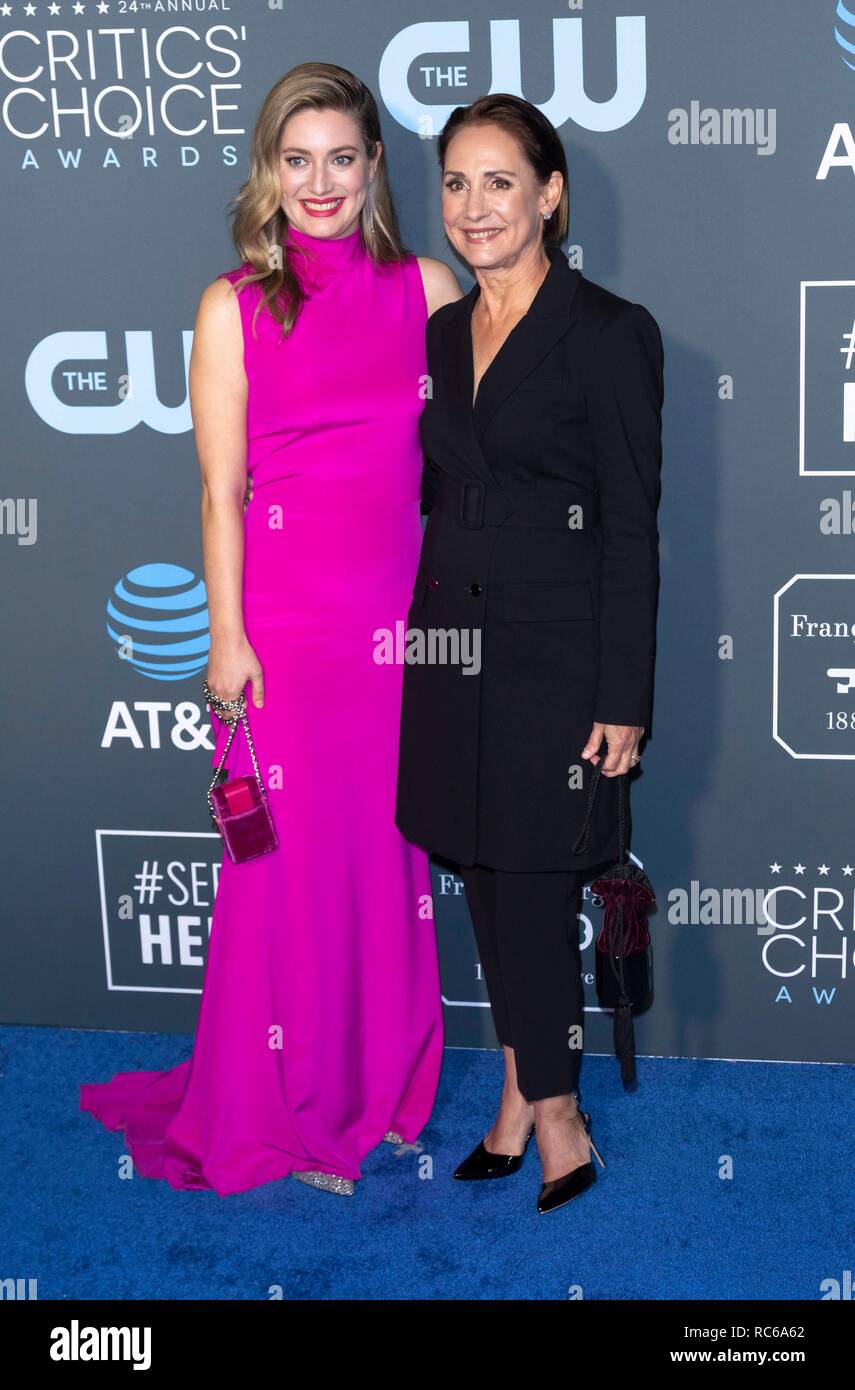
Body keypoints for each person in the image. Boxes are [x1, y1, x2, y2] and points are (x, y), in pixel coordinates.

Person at [80, 62, 461, 1198]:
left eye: (343, 157)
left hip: (402, 634)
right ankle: (289, 1114)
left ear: (374, 165)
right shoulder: (232, 304)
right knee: (288, 875)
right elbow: (218, 492)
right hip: (288, 636)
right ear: (269, 170)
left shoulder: (427, 289)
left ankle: (384, 1088)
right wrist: (226, 638)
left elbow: (474, 463)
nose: (321, 182)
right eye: (298, 160)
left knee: (388, 864)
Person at [395, 94, 664, 1214]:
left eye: (499, 181)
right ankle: (515, 1093)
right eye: (455, 183)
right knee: (486, 884)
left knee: (537, 889)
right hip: (452, 658)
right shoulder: (440, 333)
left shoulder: (609, 331)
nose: (474, 206)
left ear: (550, 195)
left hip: (559, 670)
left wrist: (622, 697)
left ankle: (557, 1113)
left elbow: (632, 528)